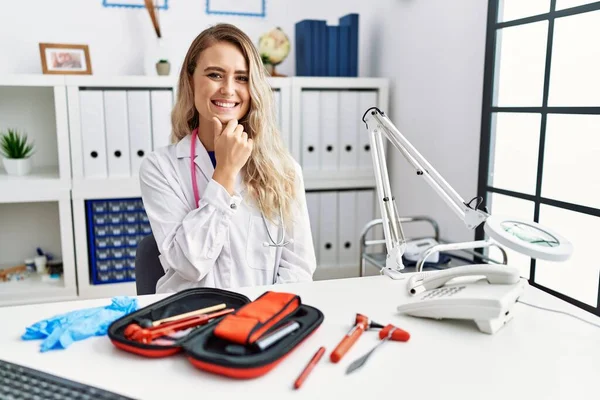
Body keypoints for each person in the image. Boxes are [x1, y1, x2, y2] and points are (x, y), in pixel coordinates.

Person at [139, 23, 316, 293]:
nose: (228, 89)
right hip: (190, 320)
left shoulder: (285, 169)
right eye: (215, 75)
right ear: (190, 79)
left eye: (242, 78)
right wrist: (225, 171)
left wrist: (258, 319)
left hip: (261, 322)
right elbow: (189, 265)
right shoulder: (160, 168)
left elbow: (298, 269)